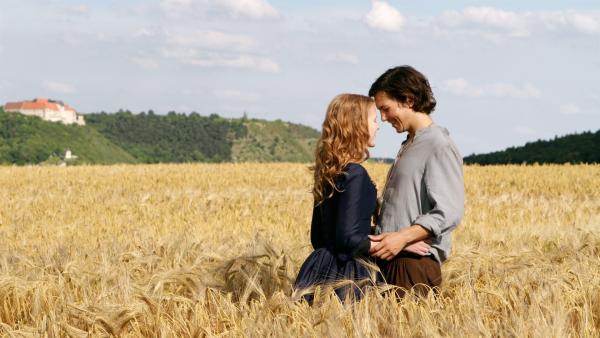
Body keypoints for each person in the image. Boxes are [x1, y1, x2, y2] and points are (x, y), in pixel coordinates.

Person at [367, 66, 465, 297]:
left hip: (412, 264)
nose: (383, 117)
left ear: (408, 100)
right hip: (391, 260)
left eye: (386, 109)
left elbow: (449, 211)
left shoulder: (438, 145)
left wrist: (402, 238)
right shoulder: (410, 144)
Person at [294, 93, 383, 302]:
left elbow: (317, 237)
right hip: (349, 275)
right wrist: (388, 243)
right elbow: (348, 239)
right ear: (357, 125)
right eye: (374, 120)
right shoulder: (356, 173)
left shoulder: (329, 172)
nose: (378, 126)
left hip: (318, 268)